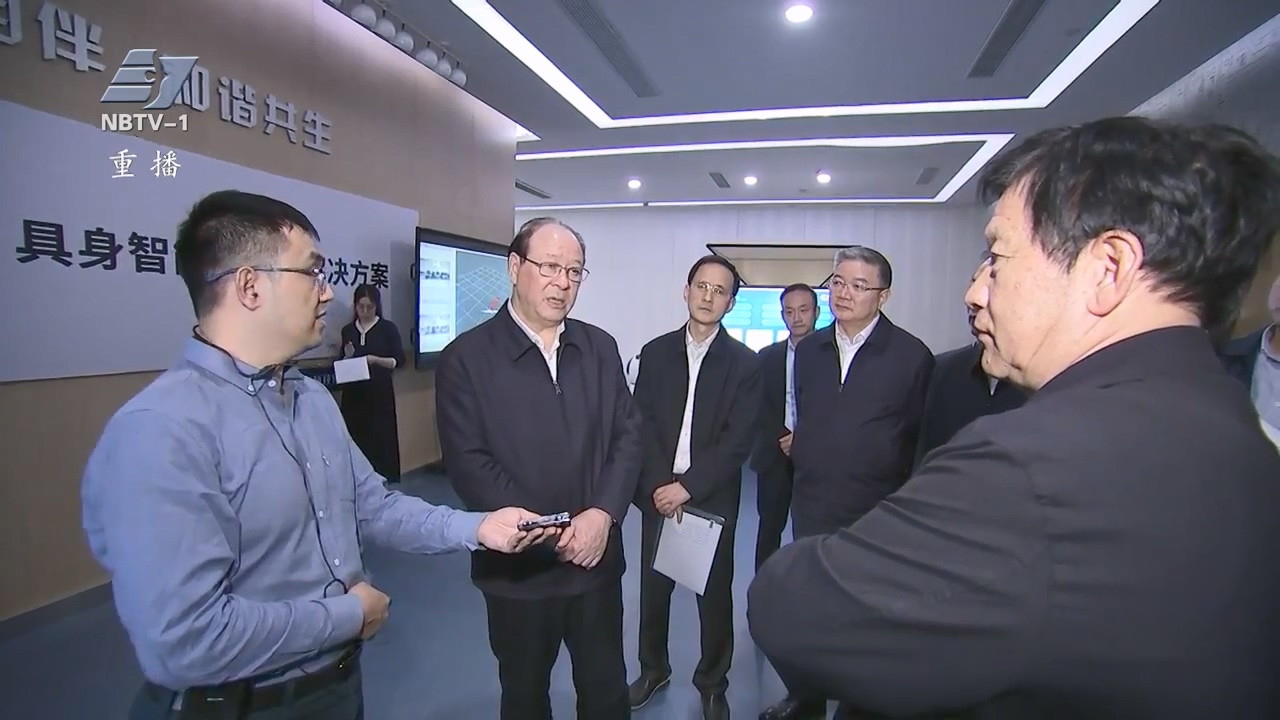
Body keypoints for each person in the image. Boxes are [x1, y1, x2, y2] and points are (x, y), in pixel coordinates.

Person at [747, 117, 1280, 719]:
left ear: (1108, 269)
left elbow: (793, 610)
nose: (975, 292)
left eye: (997, 257)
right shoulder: (1241, 435)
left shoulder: (1034, 463)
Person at [81, 190, 553, 720]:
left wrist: (479, 527)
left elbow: (373, 506)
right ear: (250, 286)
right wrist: (346, 616)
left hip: (336, 687)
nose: (329, 293)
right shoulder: (161, 431)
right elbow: (184, 641)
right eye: (313, 272)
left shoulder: (311, 400)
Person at [435, 217, 642, 720]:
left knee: (606, 694)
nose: (562, 283)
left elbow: (628, 436)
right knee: (525, 697)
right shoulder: (466, 358)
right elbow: (470, 465)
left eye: (574, 271)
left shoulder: (599, 347)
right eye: (549, 267)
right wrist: (554, 530)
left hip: (595, 562)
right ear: (514, 267)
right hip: (519, 571)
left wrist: (602, 515)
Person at [759, 246, 934, 720]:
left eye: (859, 285)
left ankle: (861, 704)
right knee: (811, 606)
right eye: (837, 282)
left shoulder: (911, 356)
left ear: (883, 295)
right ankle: (807, 696)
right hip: (813, 500)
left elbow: (919, 438)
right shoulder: (809, 350)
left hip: (877, 508)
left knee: (867, 611)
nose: (844, 293)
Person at [627, 255, 761, 720]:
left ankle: (712, 682)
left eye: (719, 290)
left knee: (714, 595)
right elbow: (639, 426)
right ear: (686, 291)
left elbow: (739, 439)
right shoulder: (655, 352)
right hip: (658, 494)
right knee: (653, 589)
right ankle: (653, 669)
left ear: (731, 303)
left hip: (710, 494)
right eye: (701, 286)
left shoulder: (745, 364)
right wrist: (657, 487)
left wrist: (688, 487)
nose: (708, 296)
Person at [912, 265, 1026, 469]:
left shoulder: (1049, 379)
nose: (972, 299)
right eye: (974, 281)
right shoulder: (942, 369)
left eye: (993, 283)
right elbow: (925, 448)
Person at [751, 283, 820, 571]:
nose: (797, 318)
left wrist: (801, 438)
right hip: (774, 454)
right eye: (789, 312)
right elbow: (759, 406)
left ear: (816, 313)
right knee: (769, 527)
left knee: (812, 531)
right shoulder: (766, 357)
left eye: (803, 310)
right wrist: (783, 437)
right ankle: (762, 584)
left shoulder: (832, 356)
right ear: (782, 315)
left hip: (817, 456)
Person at [339, 283, 405, 483]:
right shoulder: (348, 330)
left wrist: (375, 360)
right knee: (355, 437)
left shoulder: (387, 328)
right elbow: (342, 360)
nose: (365, 311)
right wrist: (346, 357)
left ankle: (383, 479)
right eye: (361, 307)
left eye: (370, 307)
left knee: (380, 438)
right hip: (354, 394)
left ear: (377, 306)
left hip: (379, 393)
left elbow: (399, 360)